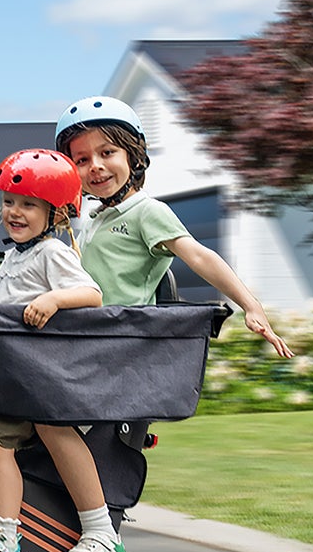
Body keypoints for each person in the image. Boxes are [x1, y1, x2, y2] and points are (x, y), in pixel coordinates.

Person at [0, 149, 130, 552]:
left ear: (56, 214)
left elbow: (91, 295)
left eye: (30, 204)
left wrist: (51, 299)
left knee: (12, 443)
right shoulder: (15, 255)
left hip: (40, 376)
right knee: (4, 444)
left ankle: (66, 536)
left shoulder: (51, 252)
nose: (15, 212)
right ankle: (25, 537)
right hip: (16, 375)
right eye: (10, 202)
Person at [55, 96, 294, 357]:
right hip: (85, 337)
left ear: (133, 156)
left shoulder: (146, 211)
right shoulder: (93, 216)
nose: (96, 166)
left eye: (107, 152)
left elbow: (199, 257)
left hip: (120, 342)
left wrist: (250, 305)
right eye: (82, 160)